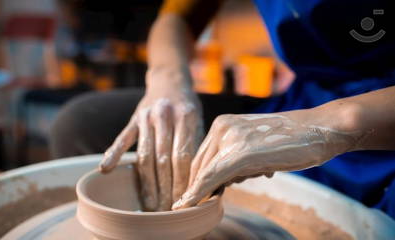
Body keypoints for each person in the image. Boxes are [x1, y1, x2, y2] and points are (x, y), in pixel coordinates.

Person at [51, 0, 395, 217]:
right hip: (306, 100)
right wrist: (167, 80)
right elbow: (179, 16)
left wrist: (335, 124)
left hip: (380, 124)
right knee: (83, 125)